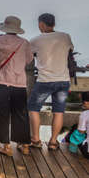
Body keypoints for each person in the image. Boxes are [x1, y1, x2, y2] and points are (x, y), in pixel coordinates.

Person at [28, 13, 74, 150]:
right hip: (63, 80)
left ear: (41, 24)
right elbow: (70, 50)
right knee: (58, 112)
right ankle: (53, 142)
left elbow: (28, 55)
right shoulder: (65, 36)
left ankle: (35, 139)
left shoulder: (36, 40)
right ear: (53, 24)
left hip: (45, 80)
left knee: (33, 108)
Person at [0, 16, 33, 156]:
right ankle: (24, 145)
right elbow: (29, 60)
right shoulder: (24, 43)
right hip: (19, 82)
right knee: (20, 113)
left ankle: (6, 147)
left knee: (2, 114)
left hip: (2, 81)